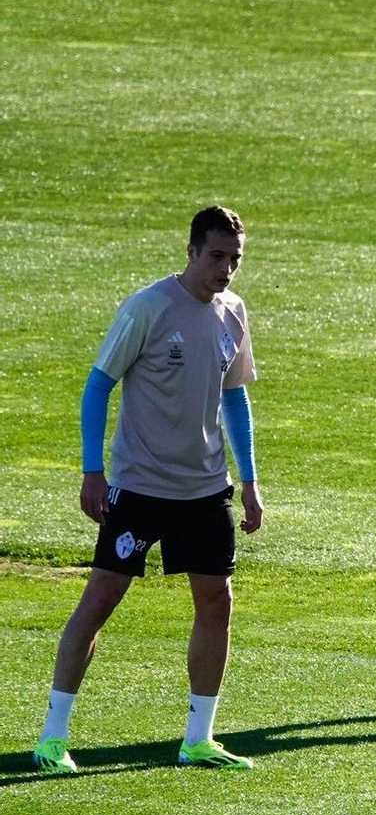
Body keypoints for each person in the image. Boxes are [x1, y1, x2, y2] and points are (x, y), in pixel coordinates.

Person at [33, 206, 263, 774]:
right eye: (216, 256)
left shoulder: (233, 313)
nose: (226, 270)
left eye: (235, 258)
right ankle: (52, 738)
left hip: (206, 489)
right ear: (189, 252)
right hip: (140, 486)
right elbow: (97, 386)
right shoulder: (149, 308)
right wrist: (93, 472)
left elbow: (234, 398)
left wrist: (251, 482)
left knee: (217, 600)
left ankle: (198, 739)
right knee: (103, 597)